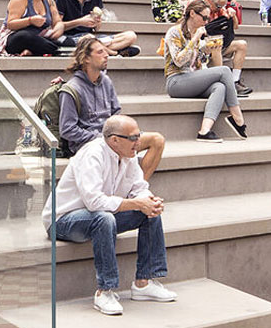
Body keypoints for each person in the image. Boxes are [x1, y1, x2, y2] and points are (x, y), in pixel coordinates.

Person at [43, 113, 176, 316]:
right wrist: (135, 203)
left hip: (97, 217)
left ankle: (144, 282)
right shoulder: (92, 155)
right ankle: (104, 291)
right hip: (63, 220)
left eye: (138, 136)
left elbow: (139, 187)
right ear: (114, 140)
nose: (138, 142)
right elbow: (94, 202)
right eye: (133, 138)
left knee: (150, 212)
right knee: (104, 217)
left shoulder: (128, 156)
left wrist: (149, 201)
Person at [57, 39, 165, 170]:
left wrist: (123, 134)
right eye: (100, 52)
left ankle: (136, 189)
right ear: (86, 59)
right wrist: (102, 138)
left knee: (157, 140)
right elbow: (67, 129)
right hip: (90, 144)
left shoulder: (106, 81)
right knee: (126, 150)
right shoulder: (72, 89)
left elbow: (115, 113)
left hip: (113, 138)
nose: (106, 55)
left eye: (105, 51)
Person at [162, 0, 249, 142]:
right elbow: (178, 60)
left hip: (192, 79)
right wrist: (195, 39)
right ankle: (238, 119)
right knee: (225, 70)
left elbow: (202, 64)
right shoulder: (174, 32)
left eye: (208, 18)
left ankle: (204, 131)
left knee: (220, 87)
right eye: (204, 17)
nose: (206, 21)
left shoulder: (198, 33)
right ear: (192, 14)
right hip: (176, 81)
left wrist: (212, 51)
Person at [56, 0, 139, 55]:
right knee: (88, 38)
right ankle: (113, 52)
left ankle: (97, 49)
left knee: (131, 36)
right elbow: (57, 27)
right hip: (70, 38)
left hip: (92, 38)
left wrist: (97, 23)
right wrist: (80, 22)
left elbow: (96, 29)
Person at [201, 0, 252, 97]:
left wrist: (232, 15)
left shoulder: (221, 9)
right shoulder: (198, 7)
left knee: (242, 44)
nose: (220, 8)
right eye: (218, 6)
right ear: (208, 0)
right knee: (216, 44)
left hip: (217, 43)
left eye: (223, 5)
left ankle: (234, 81)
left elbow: (235, 27)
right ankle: (224, 82)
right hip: (200, 45)